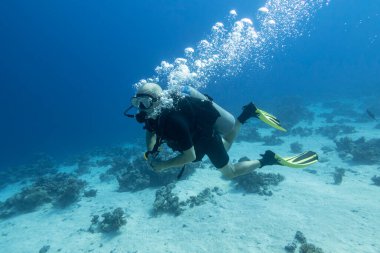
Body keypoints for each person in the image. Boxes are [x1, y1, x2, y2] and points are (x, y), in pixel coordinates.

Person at [127, 82, 318, 179]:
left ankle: (268, 159)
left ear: (158, 100)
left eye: (145, 103)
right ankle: (247, 114)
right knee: (226, 143)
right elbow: (151, 132)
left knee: (230, 172)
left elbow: (189, 157)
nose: (141, 108)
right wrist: (151, 150)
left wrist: (163, 165)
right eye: (137, 102)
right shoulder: (152, 114)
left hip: (204, 139)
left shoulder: (175, 121)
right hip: (196, 137)